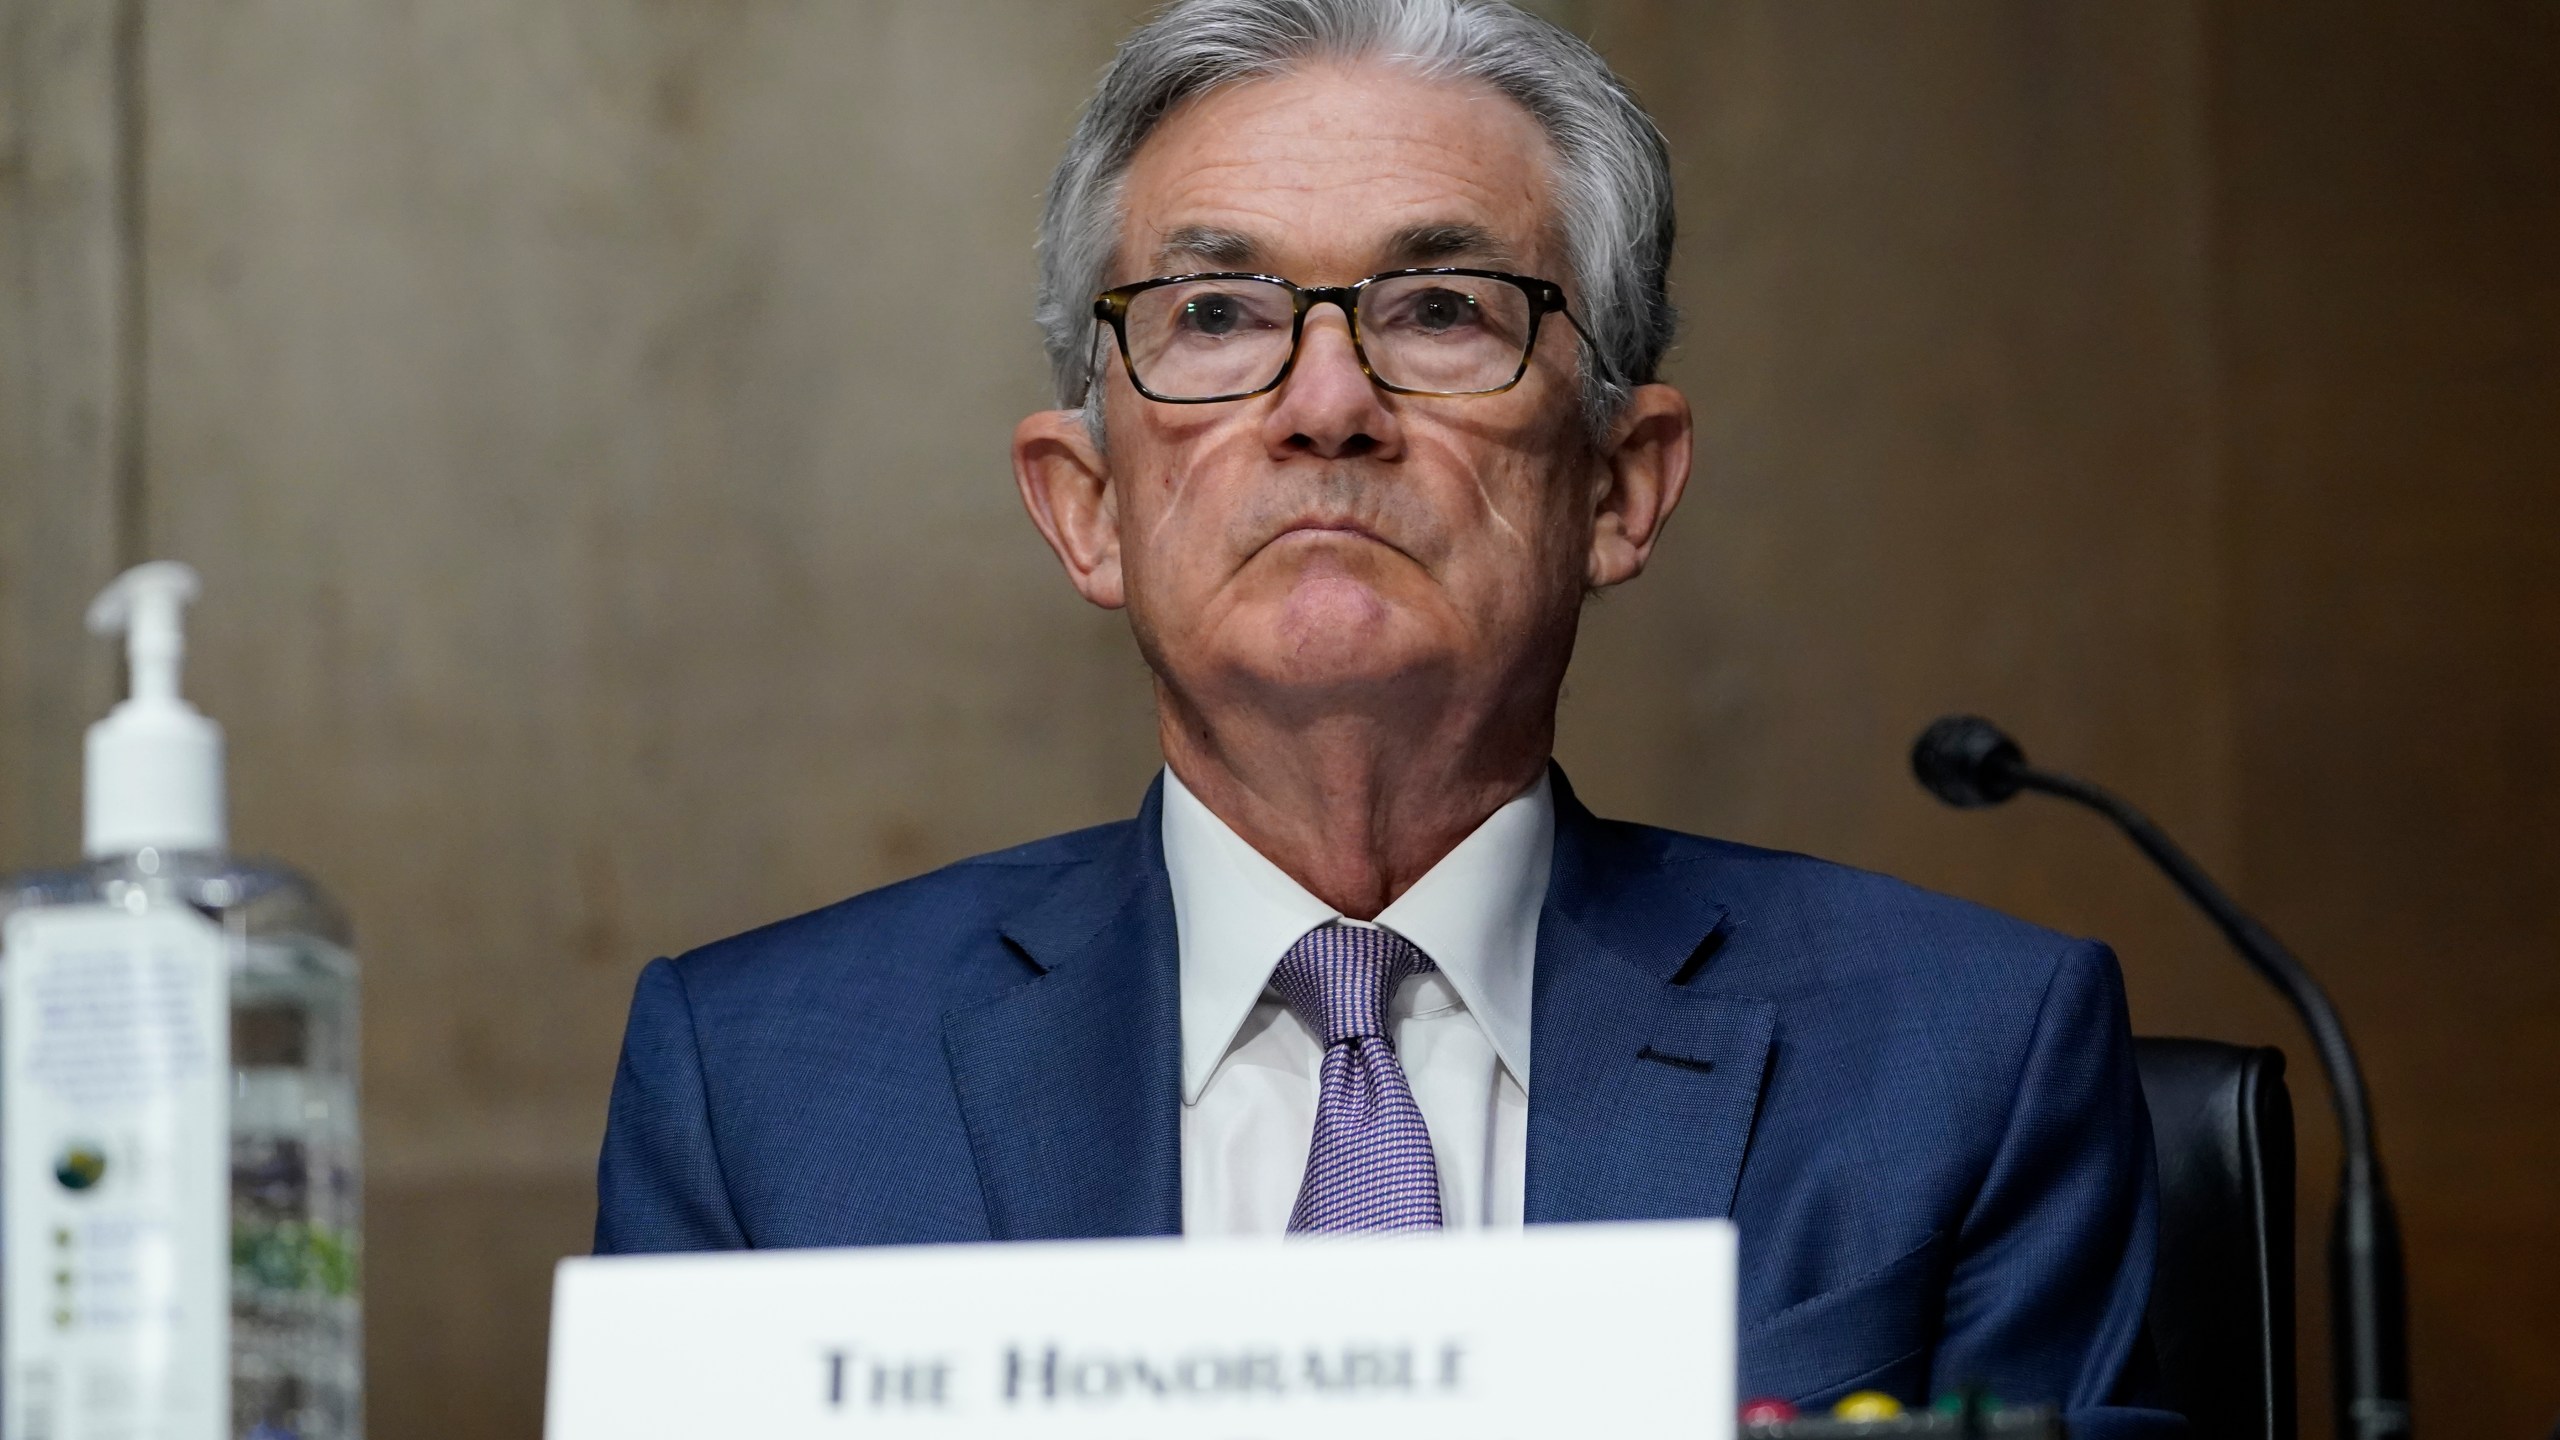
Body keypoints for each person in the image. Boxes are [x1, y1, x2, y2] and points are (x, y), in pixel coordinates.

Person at [594, 1, 2177, 1433]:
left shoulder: (1969, 1060)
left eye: (1439, 307)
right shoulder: (762, 1088)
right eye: (1214, 315)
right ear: (1086, 510)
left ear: (1621, 490)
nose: (1327, 401)